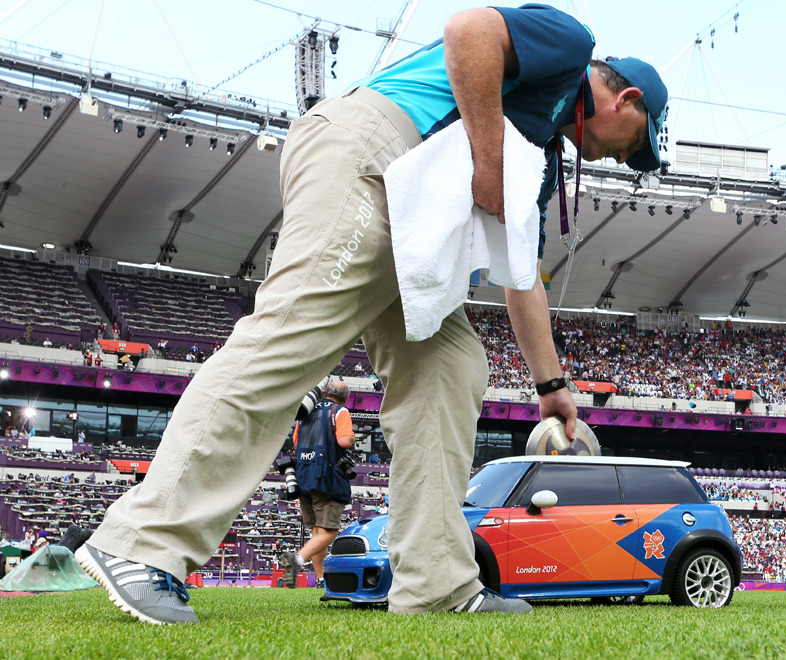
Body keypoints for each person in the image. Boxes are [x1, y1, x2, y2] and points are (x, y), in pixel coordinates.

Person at [74, 4, 667, 623]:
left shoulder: (539, 158)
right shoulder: (571, 44)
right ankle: (145, 542)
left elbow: (523, 278)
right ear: (624, 99)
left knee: (451, 363)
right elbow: (471, 31)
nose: (628, 161)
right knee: (289, 339)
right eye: (638, 145)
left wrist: (551, 386)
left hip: (414, 208)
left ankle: (437, 582)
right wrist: (488, 161)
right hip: (374, 148)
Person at [279, 379, 355, 590]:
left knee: (318, 532)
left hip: (302, 478)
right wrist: (353, 437)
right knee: (329, 531)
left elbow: (295, 443)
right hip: (327, 478)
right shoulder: (340, 411)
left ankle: (321, 579)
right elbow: (344, 441)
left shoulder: (305, 414)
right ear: (345, 397)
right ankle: (297, 560)